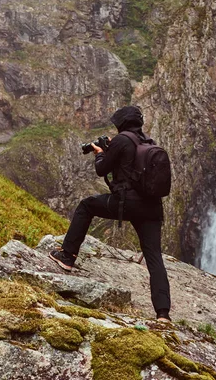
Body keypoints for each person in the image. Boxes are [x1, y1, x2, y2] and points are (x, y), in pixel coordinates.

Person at [49, 106, 172, 322]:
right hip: (152, 207)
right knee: (154, 256)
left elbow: (101, 169)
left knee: (86, 206)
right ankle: (163, 313)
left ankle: (67, 256)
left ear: (121, 123)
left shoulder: (122, 140)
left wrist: (100, 153)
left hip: (128, 203)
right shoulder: (148, 142)